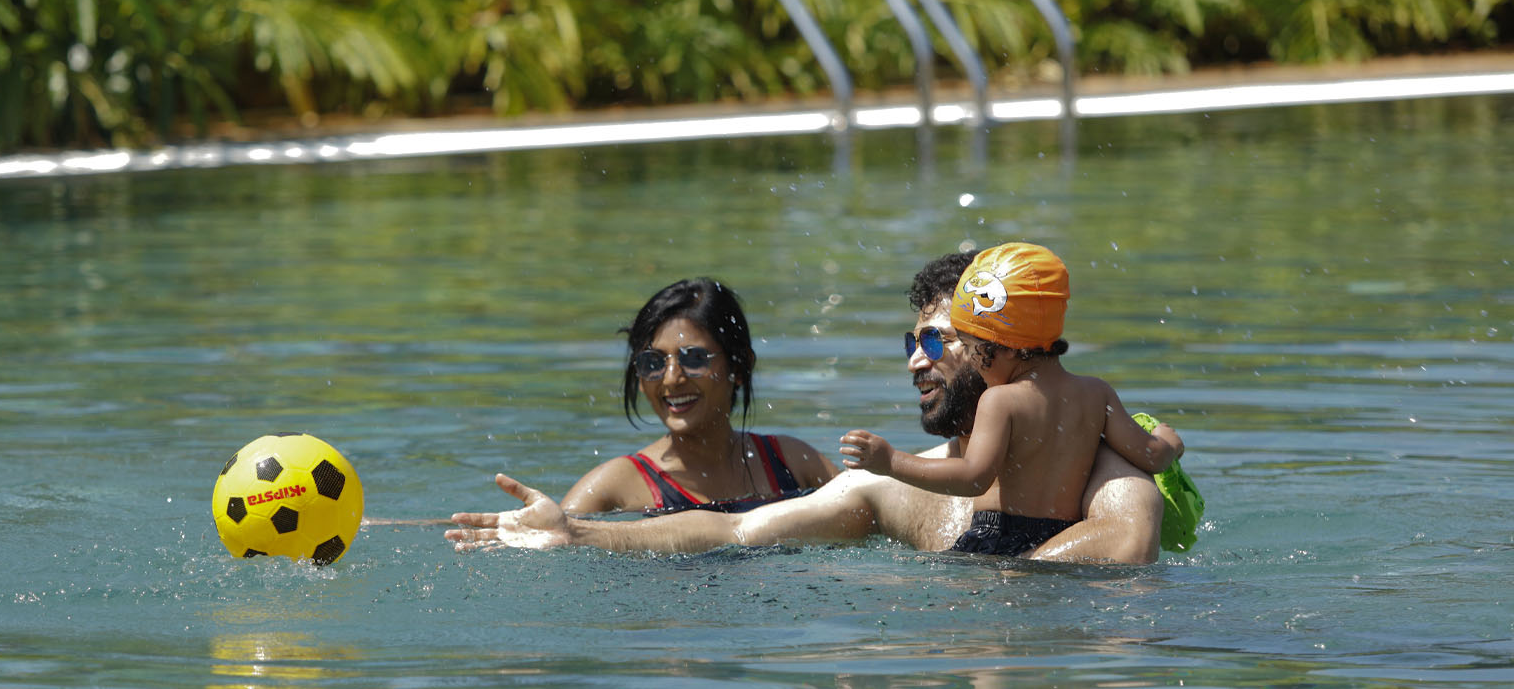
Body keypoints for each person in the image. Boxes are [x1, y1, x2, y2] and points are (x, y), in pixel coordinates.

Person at [445, 251, 1173, 563]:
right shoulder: (892, 488)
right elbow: (733, 531)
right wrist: (577, 534)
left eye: (936, 340)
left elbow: (1126, 543)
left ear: (1001, 342)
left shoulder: (1096, 464)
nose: (915, 360)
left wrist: (1002, 591)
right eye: (911, 341)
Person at [839, 243, 1182, 557]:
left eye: (971, 347)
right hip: (1060, 537)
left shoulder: (999, 401)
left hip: (993, 542)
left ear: (1001, 347)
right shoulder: (1097, 393)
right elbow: (1152, 455)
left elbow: (973, 477)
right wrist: (1169, 442)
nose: (972, 362)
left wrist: (891, 462)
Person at [560, 278, 837, 514]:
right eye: (652, 363)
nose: (672, 379)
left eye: (694, 358)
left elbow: (862, 514)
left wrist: (868, 471)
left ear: (739, 367)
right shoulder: (614, 489)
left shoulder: (792, 464)